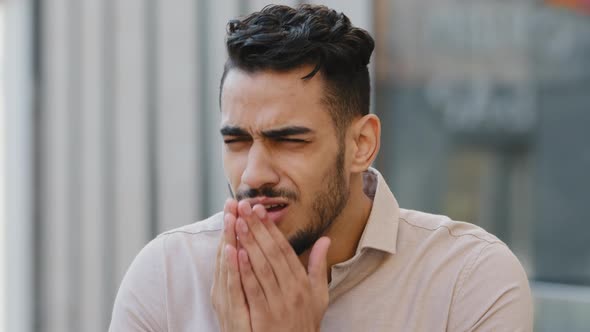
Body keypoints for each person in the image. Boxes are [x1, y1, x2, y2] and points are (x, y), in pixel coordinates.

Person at [109, 4, 533, 331]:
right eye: (237, 141)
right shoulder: (167, 274)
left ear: (361, 145)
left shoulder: (468, 280)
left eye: (289, 140)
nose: (254, 175)